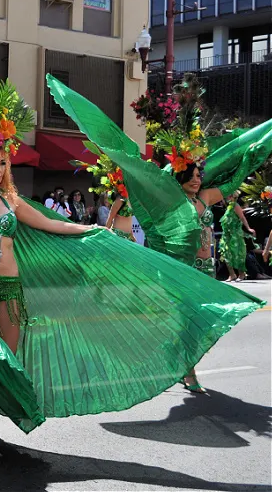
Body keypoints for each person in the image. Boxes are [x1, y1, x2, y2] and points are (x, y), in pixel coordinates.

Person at [0, 79, 264, 452]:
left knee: (8, 361)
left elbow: (53, 224)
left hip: (11, 289)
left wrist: (91, 230)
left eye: (3, 162)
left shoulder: (12, 203)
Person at [46, 73, 272, 395]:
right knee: (187, 322)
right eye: (191, 176)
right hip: (179, 270)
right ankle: (188, 371)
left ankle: (179, 361)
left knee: (200, 324)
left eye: (199, 175)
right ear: (179, 177)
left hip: (206, 270)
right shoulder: (171, 203)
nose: (197, 180)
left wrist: (246, 162)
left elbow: (231, 187)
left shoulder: (205, 198)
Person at [219, 192, 255, 281]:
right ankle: (232, 275)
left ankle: (241, 274)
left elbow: (242, 218)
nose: (226, 197)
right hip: (227, 234)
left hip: (235, 234)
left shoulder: (235, 205)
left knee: (237, 253)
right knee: (226, 253)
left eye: (228, 195)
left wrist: (248, 228)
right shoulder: (228, 207)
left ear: (232, 196)